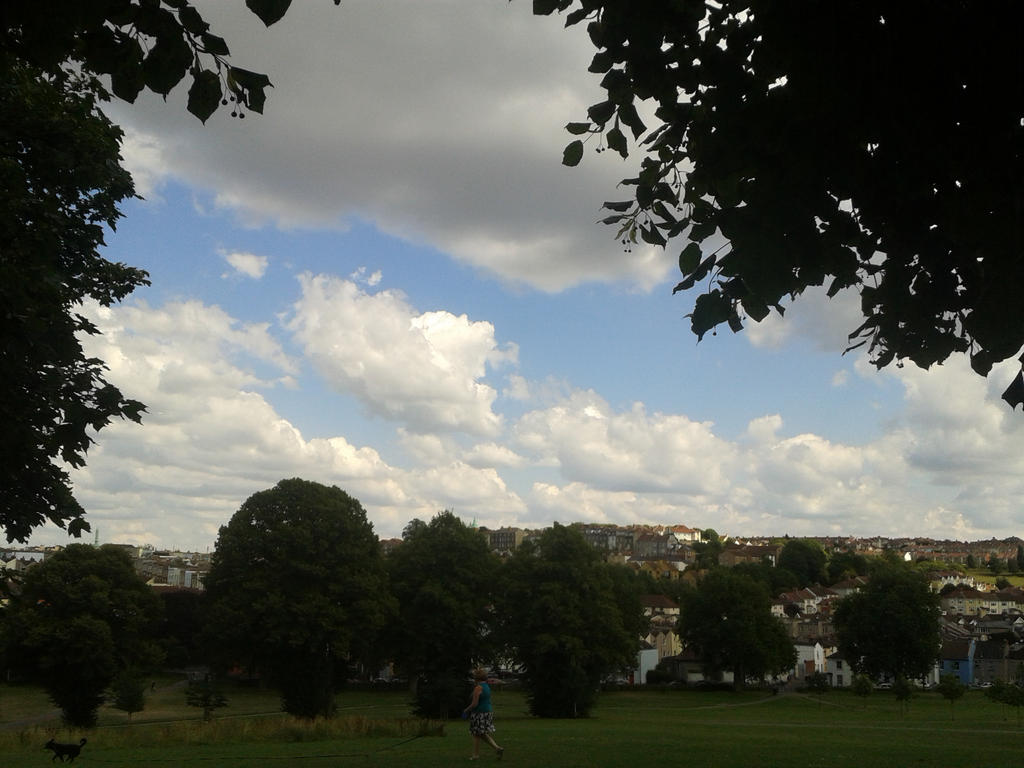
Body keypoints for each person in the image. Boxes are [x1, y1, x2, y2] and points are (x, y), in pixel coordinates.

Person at [462, 668, 504, 760]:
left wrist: (466, 710)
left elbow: (474, 704)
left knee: (476, 734)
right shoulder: (486, 686)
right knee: (482, 733)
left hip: (479, 713)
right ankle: (498, 748)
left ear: (476, 678)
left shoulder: (478, 688)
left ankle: (475, 755)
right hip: (488, 712)